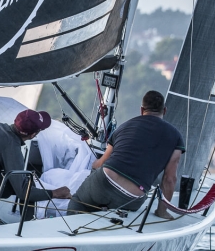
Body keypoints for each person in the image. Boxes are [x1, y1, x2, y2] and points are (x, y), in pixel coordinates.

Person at [68, 90, 185, 219]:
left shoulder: (124, 127)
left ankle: (71, 231)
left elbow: (101, 163)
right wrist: (162, 212)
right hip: (132, 196)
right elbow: (169, 179)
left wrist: (92, 169)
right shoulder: (176, 137)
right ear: (164, 111)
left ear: (141, 110)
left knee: (78, 201)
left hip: (105, 180)